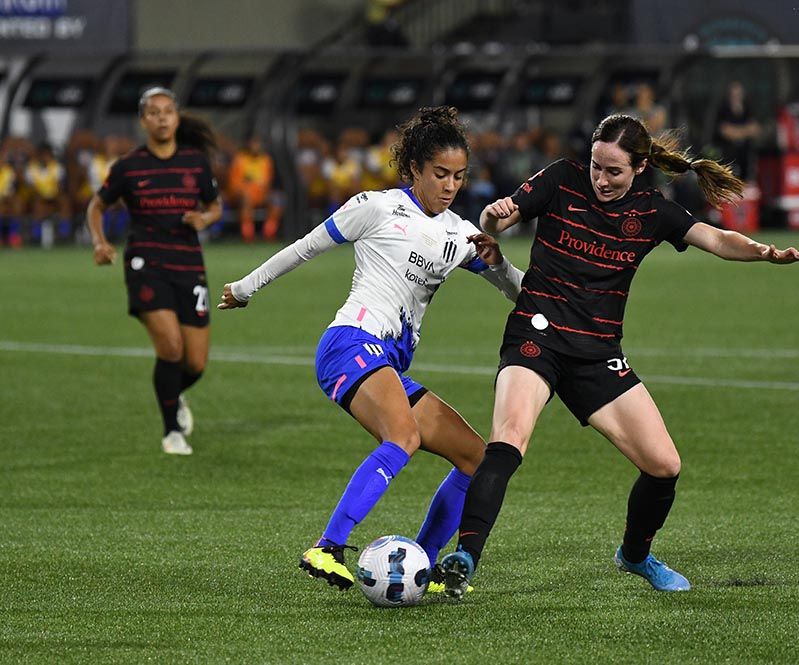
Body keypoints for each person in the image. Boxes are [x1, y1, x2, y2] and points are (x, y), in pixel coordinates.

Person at [439, 113, 799, 597]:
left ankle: (635, 556)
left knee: (664, 465)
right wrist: (493, 219)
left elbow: (717, 240)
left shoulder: (653, 210)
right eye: (596, 166)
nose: (601, 179)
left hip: (597, 353)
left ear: (639, 168)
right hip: (538, 335)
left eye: (614, 171)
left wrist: (764, 252)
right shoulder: (561, 179)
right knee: (508, 439)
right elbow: (496, 221)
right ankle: (465, 556)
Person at [217, 106, 524, 592]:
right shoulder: (376, 207)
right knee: (402, 437)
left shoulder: (460, 234)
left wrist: (500, 261)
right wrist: (247, 286)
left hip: (386, 364)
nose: (449, 186)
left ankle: (423, 562)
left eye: (459, 177)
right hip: (349, 344)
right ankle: (327, 546)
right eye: (440, 174)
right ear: (414, 171)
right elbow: (305, 246)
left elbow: (517, 290)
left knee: (476, 457)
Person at [86, 87, 222, 456]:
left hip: (189, 264)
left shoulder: (196, 162)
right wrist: (100, 242)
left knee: (195, 362)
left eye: (168, 111)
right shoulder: (129, 166)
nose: (162, 117)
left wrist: (204, 218)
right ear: (143, 120)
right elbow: (96, 207)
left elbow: (215, 206)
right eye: (154, 112)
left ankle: (172, 396)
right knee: (171, 347)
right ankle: (171, 432)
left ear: (177, 117)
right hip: (146, 263)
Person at [227, 135, 283, 242]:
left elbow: (268, 181)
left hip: (261, 194)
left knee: (277, 200)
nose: (255, 146)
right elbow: (235, 184)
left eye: (258, 144)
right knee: (246, 197)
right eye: (253, 143)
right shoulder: (240, 159)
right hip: (243, 195)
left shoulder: (266, 160)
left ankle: (269, 234)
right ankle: (248, 235)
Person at [714, 81, 761, 181]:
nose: (736, 97)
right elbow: (725, 131)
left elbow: (755, 129)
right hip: (729, 156)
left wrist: (736, 132)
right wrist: (745, 131)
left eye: (738, 94)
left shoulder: (748, 109)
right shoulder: (723, 110)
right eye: (733, 94)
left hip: (746, 156)